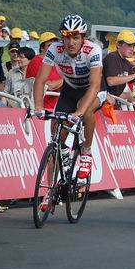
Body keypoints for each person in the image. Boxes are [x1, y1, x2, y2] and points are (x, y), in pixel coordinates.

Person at [32, 15, 106, 212]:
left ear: (83, 38)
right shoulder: (54, 50)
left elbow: (95, 84)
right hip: (70, 90)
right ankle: (49, 190)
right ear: (61, 38)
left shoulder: (93, 50)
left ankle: (87, 152)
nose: (71, 42)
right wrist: (38, 107)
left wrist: (79, 113)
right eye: (66, 37)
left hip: (93, 90)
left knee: (87, 110)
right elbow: (40, 80)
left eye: (75, 37)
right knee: (55, 139)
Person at [102, 29, 135, 106]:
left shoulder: (127, 63)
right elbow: (111, 81)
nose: (132, 48)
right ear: (118, 45)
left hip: (113, 101)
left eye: (133, 45)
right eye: (129, 45)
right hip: (104, 102)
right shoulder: (112, 57)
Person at [26, 32, 64, 110]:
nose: (54, 48)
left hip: (59, 105)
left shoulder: (58, 61)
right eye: (50, 45)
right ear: (42, 48)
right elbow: (48, 86)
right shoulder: (36, 62)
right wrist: (68, 79)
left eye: (56, 44)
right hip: (44, 108)